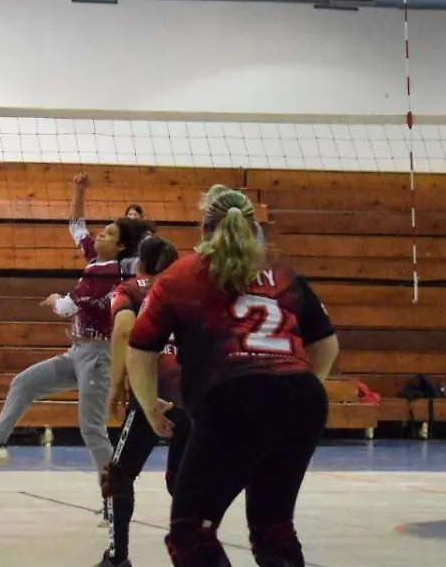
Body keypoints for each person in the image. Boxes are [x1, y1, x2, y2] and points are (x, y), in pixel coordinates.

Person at [125, 185, 340, 567]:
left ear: (204, 228)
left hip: (234, 397)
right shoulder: (283, 275)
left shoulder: (180, 276)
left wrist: (151, 407)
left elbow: (141, 350)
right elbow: (326, 346)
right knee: (274, 529)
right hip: (302, 399)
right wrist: (292, 392)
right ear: (254, 229)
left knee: (191, 532)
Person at [0, 205, 152, 476]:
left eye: (108, 234)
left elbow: (66, 307)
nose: (99, 235)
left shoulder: (103, 272)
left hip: (99, 357)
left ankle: (116, 496)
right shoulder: (99, 263)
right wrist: (79, 193)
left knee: (92, 430)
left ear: (121, 246)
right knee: (24, 383)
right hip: (78, 352)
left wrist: (53, 299)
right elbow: (77, 228)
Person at [98, 235, 189, 567]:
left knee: (119, 475)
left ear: (140, 263)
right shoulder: (190, 287)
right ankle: (194, 552)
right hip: (194, 392)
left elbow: (123, 331)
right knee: (182, 481)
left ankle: (116, 558)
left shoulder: (131, 289)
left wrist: (116, 384)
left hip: (154, 388)